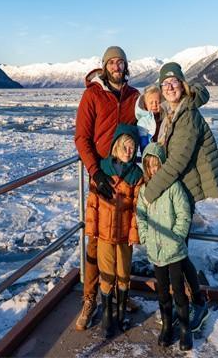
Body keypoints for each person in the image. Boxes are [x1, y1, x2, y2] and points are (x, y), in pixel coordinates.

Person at [142, 62, 218, 333]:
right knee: (177, 251)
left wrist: (150, 192)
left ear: (182, 84)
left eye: (173, 83)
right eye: (164, 84)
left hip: (183, 190)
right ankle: (189, 302)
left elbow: (177, 160)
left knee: (176, 251)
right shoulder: (172, 112)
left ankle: (195, 304)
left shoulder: (187, 115)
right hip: (175, 188)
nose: (169, 88)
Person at [74, 46, 140, 330]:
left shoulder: (134, 97)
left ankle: (121, 295)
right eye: (111, 62)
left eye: (120, 62)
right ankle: (91, 299)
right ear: (104, 66)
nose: (116, 66)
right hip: (101, 176)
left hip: (127, 176)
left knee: (125, 237)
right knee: (97, 241)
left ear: (126, 66)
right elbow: (81, 138)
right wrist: (95, 171)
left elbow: (148, 129)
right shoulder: (92, 94)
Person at [84, 124, 143, 338]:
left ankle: (121, 313)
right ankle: (108, 315)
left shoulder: (137, 175)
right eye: (125, 146)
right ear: (116, 146)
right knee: (107, 274)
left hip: (125, 235)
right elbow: (92, 204)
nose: (129, 151)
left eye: (133, 147)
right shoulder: (102, 171)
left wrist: (134, 234)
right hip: (104, 234)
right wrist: (92, 230)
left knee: (124, 273)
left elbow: (138, 208)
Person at [137, 142, 193, 350]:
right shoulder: (145, 191)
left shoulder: (174, 187)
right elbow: (141, 216)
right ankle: (167, 326)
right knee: (162, 290)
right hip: (155, 249)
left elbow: (184, 215)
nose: (154, 169)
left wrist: (176, 238)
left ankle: (185, 329)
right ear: (146, 168)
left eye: (156, 164)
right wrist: (145, 237)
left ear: (163, 164)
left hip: (174, 250)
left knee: (178, 289)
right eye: (149, 165)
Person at [135, 84, 163, 153]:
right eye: (151, 103)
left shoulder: (164, 117)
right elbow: (143, 142)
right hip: (151, 151)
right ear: (145, 105)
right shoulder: (143, 122)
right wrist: (146, 153)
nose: (154, 105)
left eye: (157, 102)